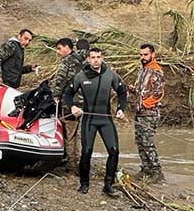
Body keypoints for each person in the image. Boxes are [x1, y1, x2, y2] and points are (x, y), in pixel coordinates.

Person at [63, 48, 128, 197]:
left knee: (114, 151)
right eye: (93, 57)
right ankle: (84, 184)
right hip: (89, 120)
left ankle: (108, 185)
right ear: (88, 59)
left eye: (98, 57)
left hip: (106, 119)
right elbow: (67, 94)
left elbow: (122, 92)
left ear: (102, 58)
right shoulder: (81, 76)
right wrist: (72, 106)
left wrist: (120, 109)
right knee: (86, 152)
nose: (96, 60)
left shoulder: (110, 74)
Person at [50, 37, 88, 166]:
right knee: (81, 135)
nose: (58, 52)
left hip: (69, 103)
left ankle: (72, 164)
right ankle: (81, 162)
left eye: (59, 48)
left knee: (70, 135)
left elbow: (60, 81)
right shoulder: (89, 61)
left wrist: (55, 95)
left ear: (67, 47)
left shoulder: (68, 61)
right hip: (86, 104)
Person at [131, 42, 165, 182]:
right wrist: (133, 90)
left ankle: (157, 172)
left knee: (147, 143)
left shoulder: (156, 70)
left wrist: (145, 104)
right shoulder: (142, 69)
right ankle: (146, 169)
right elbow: (142, 90)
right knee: (139, 141)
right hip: (140, 112)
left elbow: (158, 93)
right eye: (141, 55)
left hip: (150, 113)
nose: (143, 57)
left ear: (153, 54)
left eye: (145, 54)